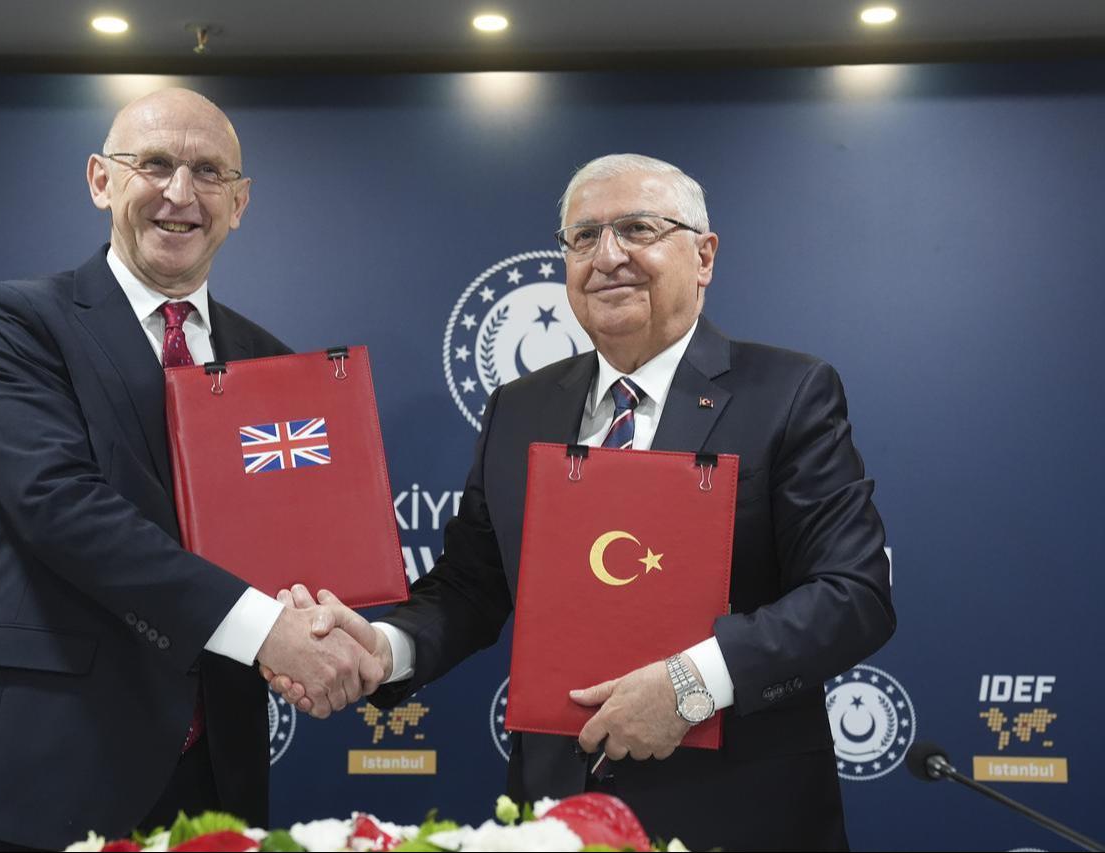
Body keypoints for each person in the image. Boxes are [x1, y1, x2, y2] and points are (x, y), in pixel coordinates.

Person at [268, 153, 895, 851]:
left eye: (637, 229)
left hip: (740, 814)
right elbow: (473, 586)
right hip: (558, 814)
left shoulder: (788, 393)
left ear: (705, 255)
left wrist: (692, 684)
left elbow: (853, 594)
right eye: (584, 237)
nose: (608, 256)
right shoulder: (522, 407)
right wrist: (386, 648)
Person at [0, 88, 382, 852]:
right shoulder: (16, 320)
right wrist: (267, 631)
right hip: (45, 763)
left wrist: (316, 622)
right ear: (101, 180)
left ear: (240, 201)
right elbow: (59, 506)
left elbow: (290, 547)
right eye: (153, 164)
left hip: (213, 774)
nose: (180, 194)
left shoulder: (275, 363)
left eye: (208, 172)